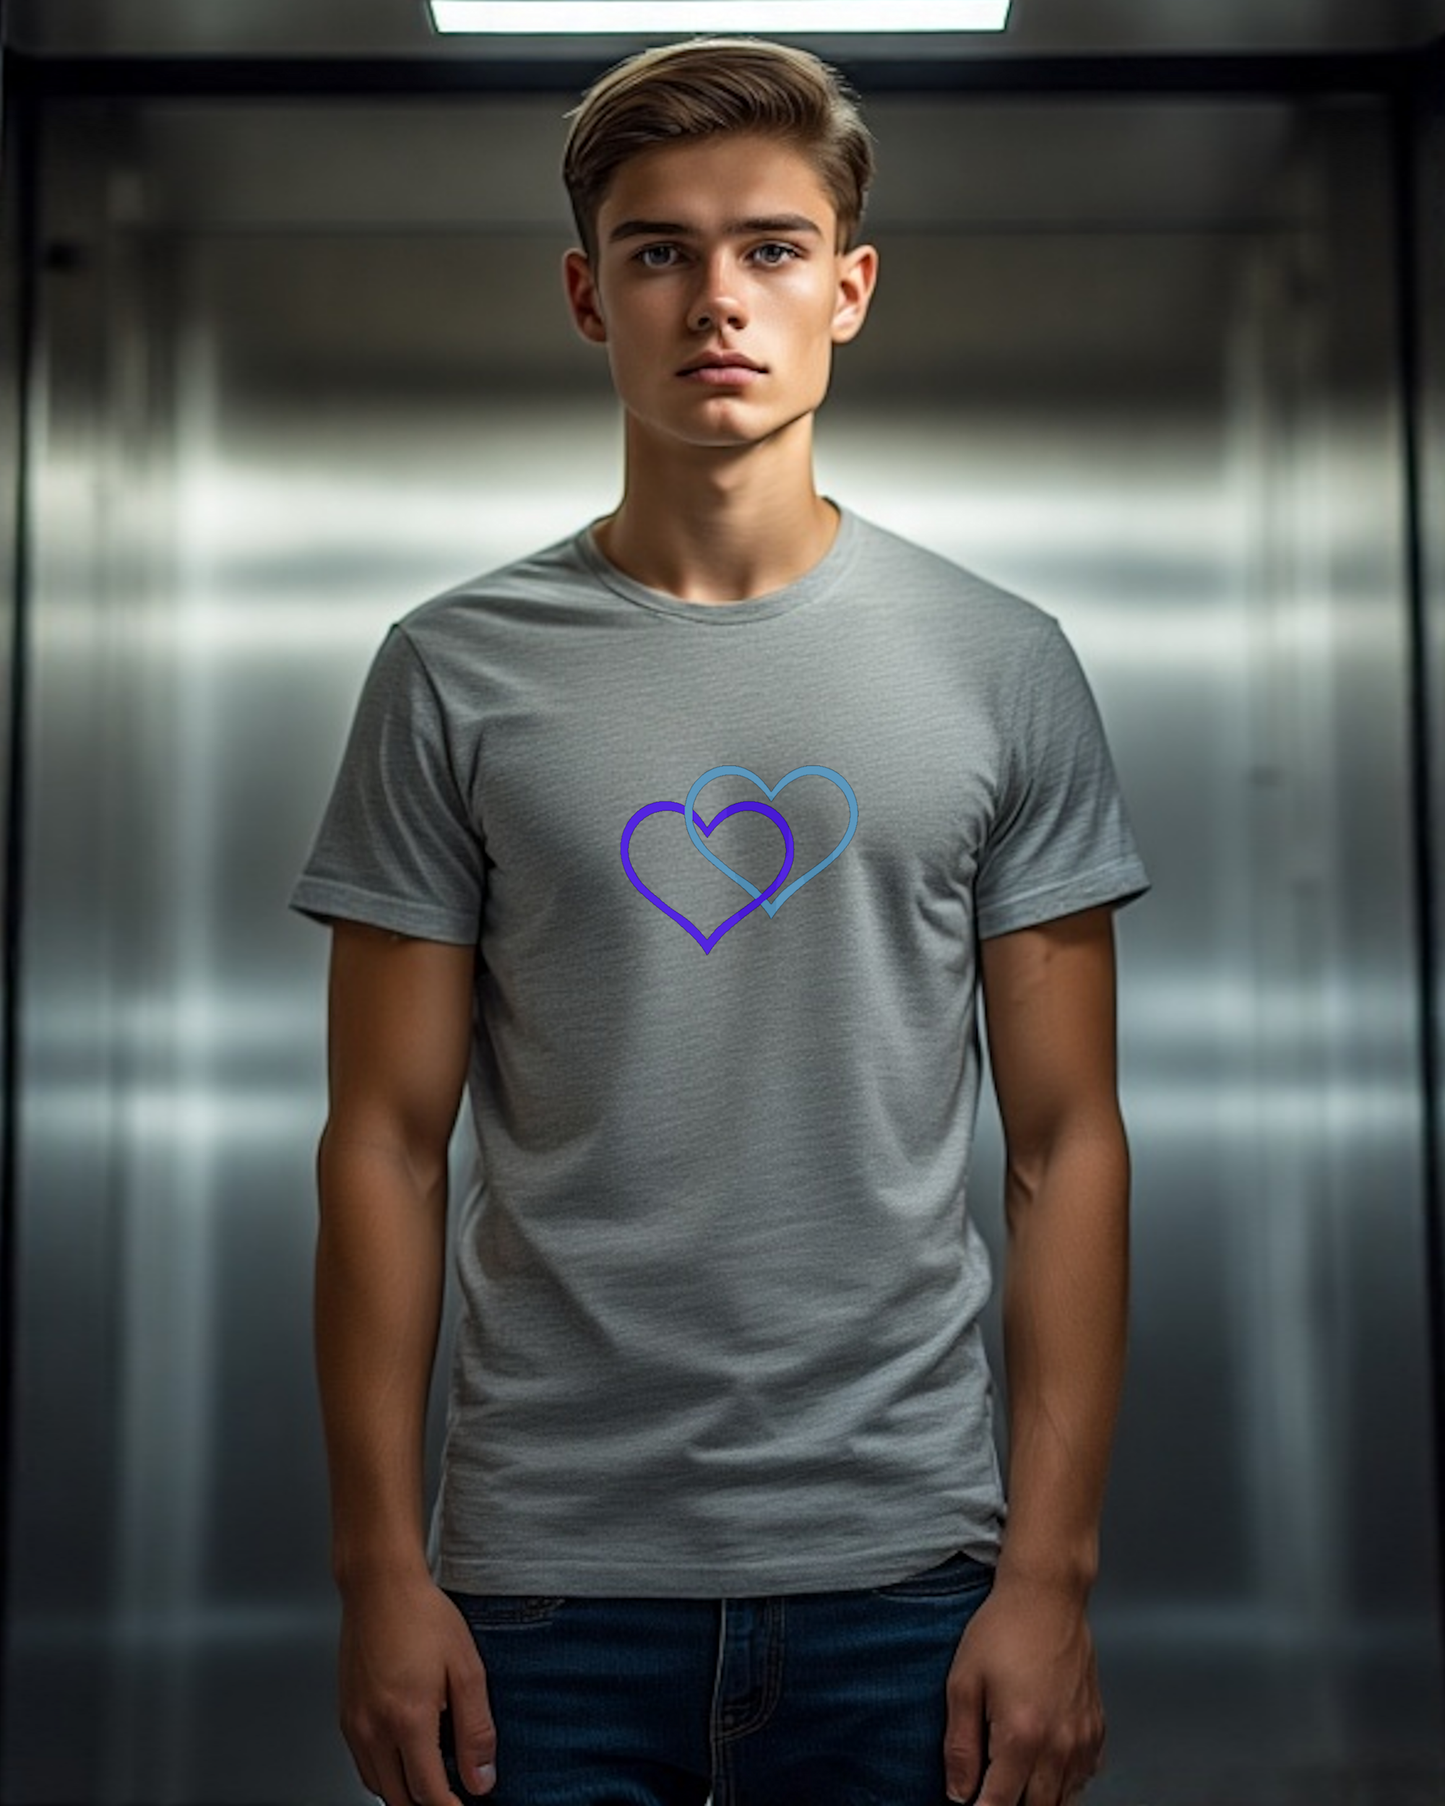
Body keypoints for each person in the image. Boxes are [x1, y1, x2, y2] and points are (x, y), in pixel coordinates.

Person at [292, 35, 1149, 1806]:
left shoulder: (1002, 665)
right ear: (587, 295)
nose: (716, 298)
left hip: (910, 1566)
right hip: (538, 1579)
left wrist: (1049, 1579)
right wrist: (382, 1571)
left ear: (851, 286)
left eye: (769, 247)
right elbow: (381, 1139)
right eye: (658, 248)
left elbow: (1068, 1137)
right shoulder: (452, 674)